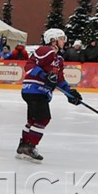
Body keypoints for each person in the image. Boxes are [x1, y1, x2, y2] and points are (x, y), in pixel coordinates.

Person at [17, 28, 82, 162]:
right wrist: (44, 75)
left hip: (36, 91)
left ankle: (23, 145)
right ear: (53, 40)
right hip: (35, 90)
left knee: (33, 120)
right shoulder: (46, 50)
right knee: (43, 119)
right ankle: (30, 146)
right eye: (61, 38)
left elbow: (59, 80)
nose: (64, 41)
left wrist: (70, 93)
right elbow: (29, 65)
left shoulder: (59, 59)